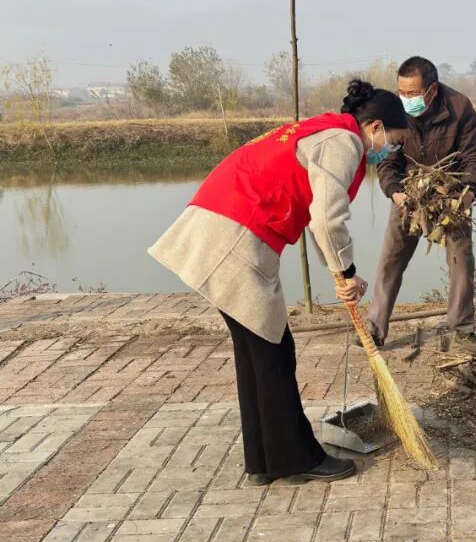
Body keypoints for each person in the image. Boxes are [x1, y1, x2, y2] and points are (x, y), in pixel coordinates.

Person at [148, 80, 410, 483]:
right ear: (375, 127)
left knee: (256, 351)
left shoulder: (325, 130)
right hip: (233, 235)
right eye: (393, 141)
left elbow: (316, 216)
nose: (390, 150)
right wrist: (346, 273)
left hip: (220, 226)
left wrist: (340, 272)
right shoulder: (342, 142)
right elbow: (327, 218)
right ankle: (296, 460)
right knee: (273, 352)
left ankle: (263, 463)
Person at [368, 57, 476, 345]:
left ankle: (462, 328)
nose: (406, 99)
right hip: (409, 194)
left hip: (450, 194)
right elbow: (386, 161)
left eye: (413, 93)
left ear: (432, 90)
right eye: (402, 92)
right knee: (390, 258)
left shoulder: (459, 107)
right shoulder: (393, 111)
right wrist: (396, 193)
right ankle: (375, 328)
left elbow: (474, 159)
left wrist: (467, 194)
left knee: (461, 259)